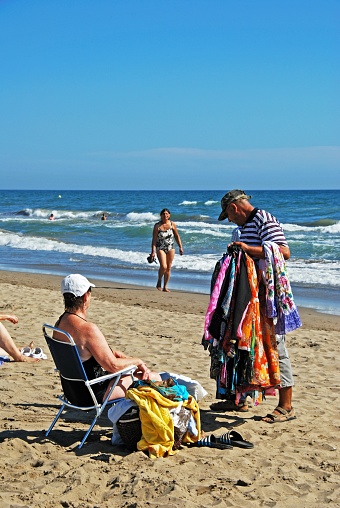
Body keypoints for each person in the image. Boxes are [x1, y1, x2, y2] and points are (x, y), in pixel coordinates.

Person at [216, 189, 297, 423]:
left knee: (275, 346)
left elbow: (283, 251)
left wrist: (247, 249)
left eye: (229, 216)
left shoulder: (264, 219)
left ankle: (286, 406)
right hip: (249, 294)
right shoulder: (243, 227)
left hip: (267, 295)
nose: (230, 221)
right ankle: (241, 398)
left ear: (234, 208)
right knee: (242, 344)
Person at [53, 274, 162, 403]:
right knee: (154, 377)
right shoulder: (87, 329)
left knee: (131, 372)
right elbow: (113, 366)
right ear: (86, 296)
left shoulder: (59, 324)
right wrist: (137, 361)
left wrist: (126, 359)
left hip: (72, 392)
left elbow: (93, 354)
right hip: (92, 395)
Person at [150, 208, 184, 292]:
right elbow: (154, 239)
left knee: (168, 268)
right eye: (163, 214)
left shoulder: (172, 224)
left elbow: (177, 236)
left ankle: (165, 286)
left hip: (170, 247)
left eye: (167, 214)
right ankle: (159, 280)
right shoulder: (157, 226)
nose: (165, 215)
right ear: (161, 215)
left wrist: (180, 247)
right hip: (160, 247)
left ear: (169, 215)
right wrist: (153, 251)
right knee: (163, 266)